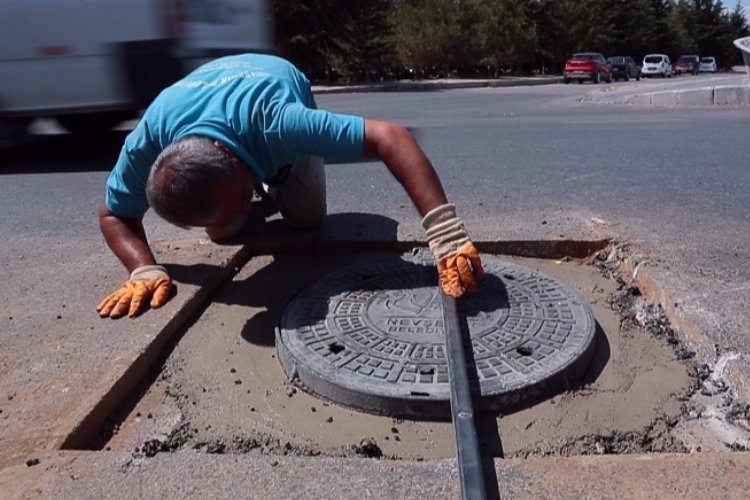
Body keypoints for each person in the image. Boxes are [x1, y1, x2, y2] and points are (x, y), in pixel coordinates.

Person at [96, 54, 483, 319]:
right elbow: (114, 213)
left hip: (273, 76)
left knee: (307, 217)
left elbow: (393, 138)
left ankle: (278, 180)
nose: (249, 209)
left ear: (227, 155)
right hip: (196, 96)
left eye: (244, 197)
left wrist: (445, 232)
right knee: (225, 232)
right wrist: (143, 268)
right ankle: (246, 195)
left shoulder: (282, 124)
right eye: (246, 201)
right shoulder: (147, 141)